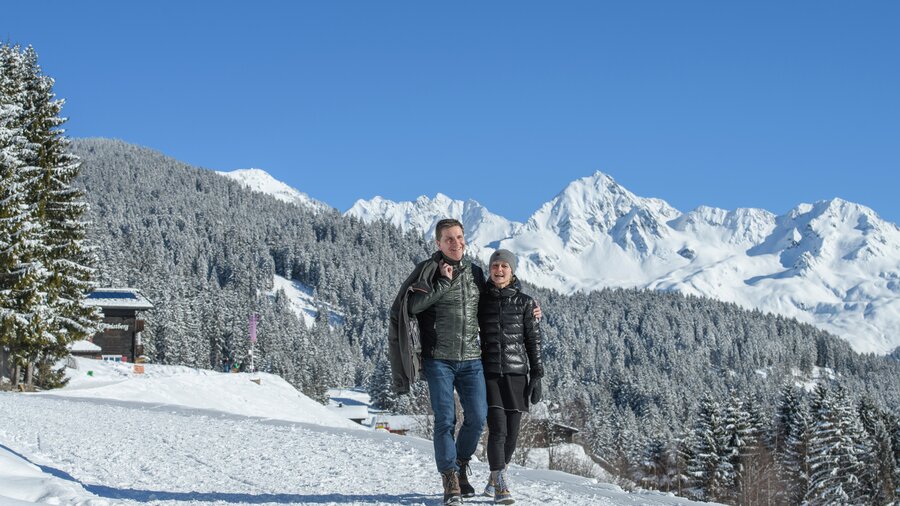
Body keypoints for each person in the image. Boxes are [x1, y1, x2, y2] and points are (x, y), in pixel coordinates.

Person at [389, 219, 541, 506]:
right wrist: (443, 283)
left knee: (478, 417)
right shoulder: (429, 271)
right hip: (439, 359)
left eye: (459, 237)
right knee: (445, 419)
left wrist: (526, 304)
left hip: (472, 359)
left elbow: (497, 294)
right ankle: (449, 479)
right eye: (449, 239)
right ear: (438, 243)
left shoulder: (475, 272)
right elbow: (412, 307)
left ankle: (460, 464)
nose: (455, 243)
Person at [477, 249, 543, 505]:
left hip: (517, 374)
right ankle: (501, 483)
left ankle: (495, 476)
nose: (499, 270)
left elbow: (533, 340)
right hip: (490, 373)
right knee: (498, 430)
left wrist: (537, 373)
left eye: (504, 266)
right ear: (490, 269)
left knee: (512, 434)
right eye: (495, 265)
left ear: (512, 271)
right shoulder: (480, 300)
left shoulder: (526, 303)